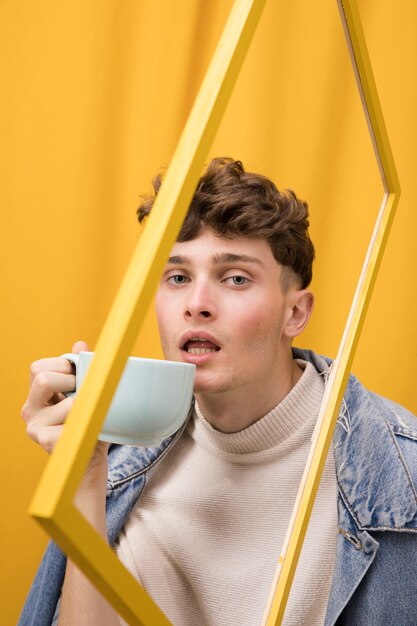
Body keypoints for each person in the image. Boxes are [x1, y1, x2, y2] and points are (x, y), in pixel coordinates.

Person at [19, 158, 417, 626]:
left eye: (235, 278)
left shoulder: (401, 475)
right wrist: (84, 477)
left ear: (296, 313)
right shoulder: (115, 459)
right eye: (178, 277)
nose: (197, 305)